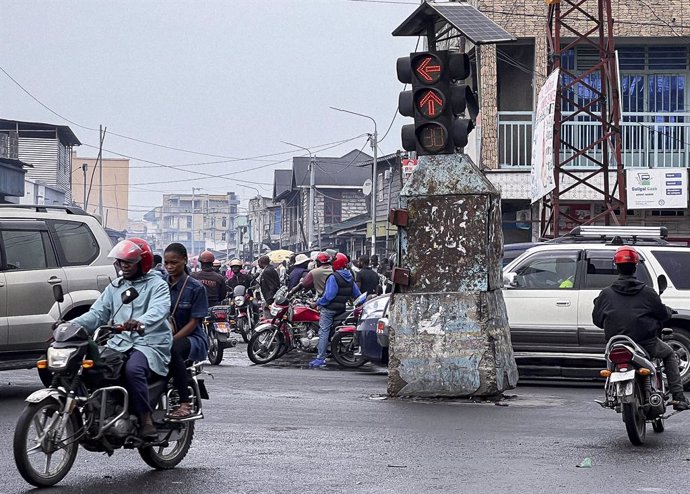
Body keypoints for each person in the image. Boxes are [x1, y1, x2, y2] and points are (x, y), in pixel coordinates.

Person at [71, 238, 171, 438]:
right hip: (119, 342)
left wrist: (139, 321)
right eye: (121, 261)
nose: (123, 266)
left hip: (148, 342)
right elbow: (97, 314)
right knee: (91, 366)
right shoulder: (115, 287)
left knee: (133, 370)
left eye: (129, 262)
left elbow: (159, 310)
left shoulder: (157, 285)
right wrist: (71, 325)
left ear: (142, 263)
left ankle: (145, 419)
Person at [592, 246, 689, 410]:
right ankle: (679, 398)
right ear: (636, 267)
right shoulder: (648, 293)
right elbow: (662, 314)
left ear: (616, 267)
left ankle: (610, 393)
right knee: (670, 353)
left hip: (616, 345)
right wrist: (669, 312)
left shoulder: (605, 294)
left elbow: (597, 320)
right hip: (646, 344)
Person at [164, 243, 209, 418]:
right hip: (162, 335)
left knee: (171, 349)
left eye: (173, 262)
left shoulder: (196, 288)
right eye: (166, 263)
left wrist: (172, 339)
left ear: (184, 260)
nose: (169, 266)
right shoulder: (159, 285)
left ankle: (185, 402)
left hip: (192, 338)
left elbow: (194, 322)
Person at [309, 253, 361, 368]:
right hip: (341, 309)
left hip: (329, 309)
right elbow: (357, 294)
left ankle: (320, 358)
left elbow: (329, 296)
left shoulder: (334, 277)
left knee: (323, 331)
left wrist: (316, 303)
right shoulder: (349, 276)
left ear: (336, 264)